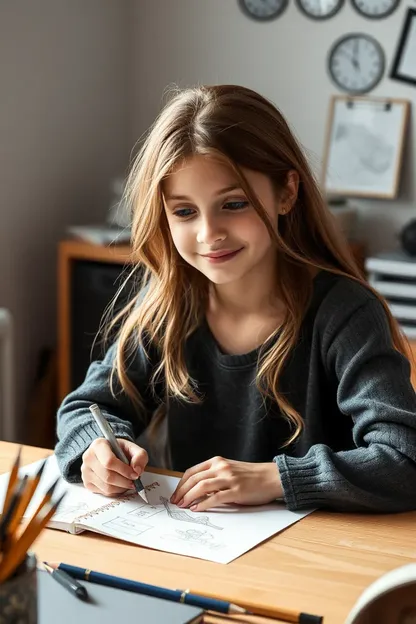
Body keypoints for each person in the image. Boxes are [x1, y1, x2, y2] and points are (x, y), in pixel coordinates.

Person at [55, 84, 416, 513]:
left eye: (234, 203)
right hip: (205, 552)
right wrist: (97, 449)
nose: (210, 234)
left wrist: (276, 478)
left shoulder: (345, 313)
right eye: (185, 211)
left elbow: (404, 459)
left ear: (286, 192)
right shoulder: (169, 305)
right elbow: (86, 406)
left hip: (318, 561)